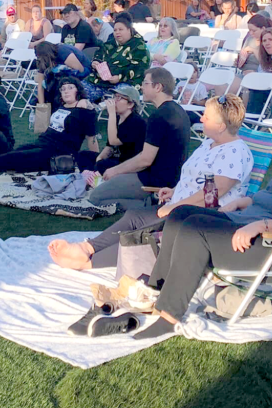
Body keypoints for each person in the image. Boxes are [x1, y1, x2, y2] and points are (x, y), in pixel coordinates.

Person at [106, 112, 272, 340]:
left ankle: (169, 316)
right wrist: (243, 202)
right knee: (181, 215)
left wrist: (260, 225)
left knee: (195, 234)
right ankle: (155, 289)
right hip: (250, 222)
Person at [48, 94, 255, 271]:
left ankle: (88, 262)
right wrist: (174, 191)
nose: (201, 118)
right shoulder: (209, 143)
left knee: (149, 236)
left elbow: (213, 194)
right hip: (182, 206)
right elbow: (198, 180)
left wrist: (177, 205)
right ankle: (87, 248)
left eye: (206, 117)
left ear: (220, 126)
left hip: (205, 216)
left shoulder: (235, 152)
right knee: (135, 217)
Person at [0, 76, 97, 177]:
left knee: (12, 158)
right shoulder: (61, 107)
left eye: (70, 87)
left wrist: (95, 162)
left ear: (78, 90)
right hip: (42, 143)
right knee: (13, 156)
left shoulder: (85, 110)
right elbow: (41, 124)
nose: (65, 91)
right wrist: (38, 85)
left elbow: (92, 139)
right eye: (62, 89)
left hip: (58, 152)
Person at [87, 67, 191, 210]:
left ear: (158, 87)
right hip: (173, 178)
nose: (141, 86)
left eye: (145, 83)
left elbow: (145, 160)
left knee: (95, 197)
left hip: (154, 180)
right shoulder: (179, 111)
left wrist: (115, 170)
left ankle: (150, 203)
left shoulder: (159, 116)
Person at [75, 84, 146, 172]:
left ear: (130, 104)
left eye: (119, 98)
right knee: (83, 155)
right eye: (115, 97)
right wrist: (99, 158)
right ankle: (91, 179)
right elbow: (109, 146)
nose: (114, 100)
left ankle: (95, 179)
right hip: (114, 159)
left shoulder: (136, 122)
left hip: (127, 163)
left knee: (102, 165)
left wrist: (112, 113)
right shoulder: (117, 118)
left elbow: (114, 141)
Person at [83, 13, 150, 102]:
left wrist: (120, 77)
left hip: (126, 82)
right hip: (100, 81)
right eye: (115, 30)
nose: (117, 32)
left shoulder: (139, 46)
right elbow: (99, 54)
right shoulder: (110, 44)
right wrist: (96, 62)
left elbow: (139, 68)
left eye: (120, 29)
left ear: (129, 30)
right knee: (78, 91)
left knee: (120, 97)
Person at [33, 40, 92, 104]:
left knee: (58, 81)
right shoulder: (43, 61)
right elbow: (40, 85)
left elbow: (80, 70)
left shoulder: (62, 51)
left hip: (84, 72)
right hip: (66, 75)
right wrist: (42, 105)